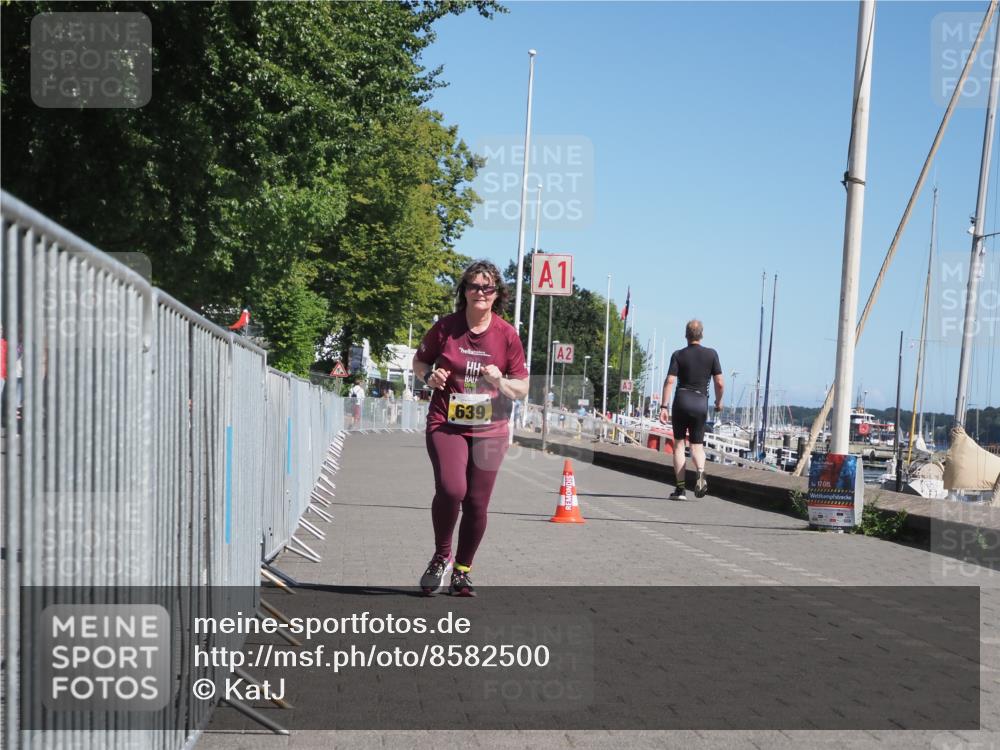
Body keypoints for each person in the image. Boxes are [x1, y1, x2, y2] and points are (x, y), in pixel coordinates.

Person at [412, 260, 529, 596]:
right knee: (451, 489)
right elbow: (420, 361)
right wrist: (429, 377)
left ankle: (462, 570)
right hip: (446, 422)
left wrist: (501, 380)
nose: (480, 292)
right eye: (474, 286)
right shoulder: (446, 328)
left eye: (487, 287)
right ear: (463, 291)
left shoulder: (507, 336)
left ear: (496, 295)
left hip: (490, 429)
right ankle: (441, 556)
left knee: (477, 503)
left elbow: (522, 387)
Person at [659, 320, 723, 500]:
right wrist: (718, 402)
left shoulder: (678, 355)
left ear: (686, 335)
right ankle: (700, 472)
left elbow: (670, 381)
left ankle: (680, 490)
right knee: (697, 446)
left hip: (681, 400)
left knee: (679, 445)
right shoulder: (711, 355)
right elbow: (719, 383)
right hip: (700, 402)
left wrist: (663, 406)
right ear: (701, 335)